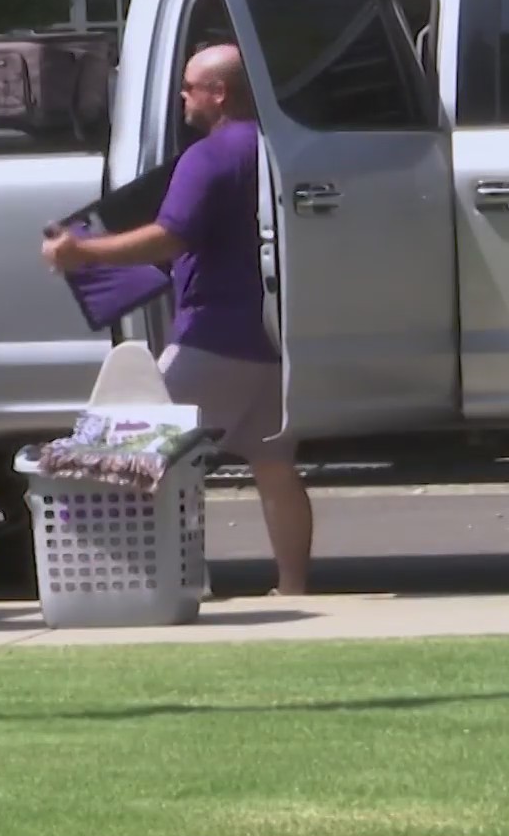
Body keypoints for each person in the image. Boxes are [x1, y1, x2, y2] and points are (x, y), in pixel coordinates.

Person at [40, 42, 313, 595]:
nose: (183, 96)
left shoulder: (208, 155)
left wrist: (83, 252)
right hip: (273, 338)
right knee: (274, 467)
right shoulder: (276, 148)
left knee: (122, 450)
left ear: (218, 93)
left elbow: (171, 235)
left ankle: (141, 584)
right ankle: (294, 585)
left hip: (213, 338)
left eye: (190, 86)